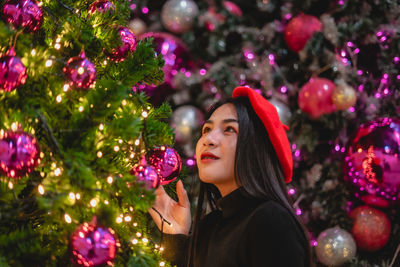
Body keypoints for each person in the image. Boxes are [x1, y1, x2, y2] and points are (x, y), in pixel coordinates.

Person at [149, 86, 313, 267]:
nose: (208, 139)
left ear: (256, 148)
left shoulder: (271, 220)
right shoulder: (210, 226)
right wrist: (177, 238)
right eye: (206, 130)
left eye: (229, 129)